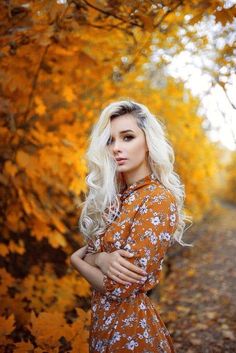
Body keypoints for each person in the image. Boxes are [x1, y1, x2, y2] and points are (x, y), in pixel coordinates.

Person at [70, 100, 193, 353]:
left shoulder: (158, 199)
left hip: (130, 335)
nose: (116, 148)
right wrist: (101, 259)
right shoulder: (115, 199)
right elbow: (96, 255)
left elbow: (120, 287)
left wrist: (78, 262)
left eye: (127, 137)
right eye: (110, 140)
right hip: (103, 330)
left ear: (148, 142)